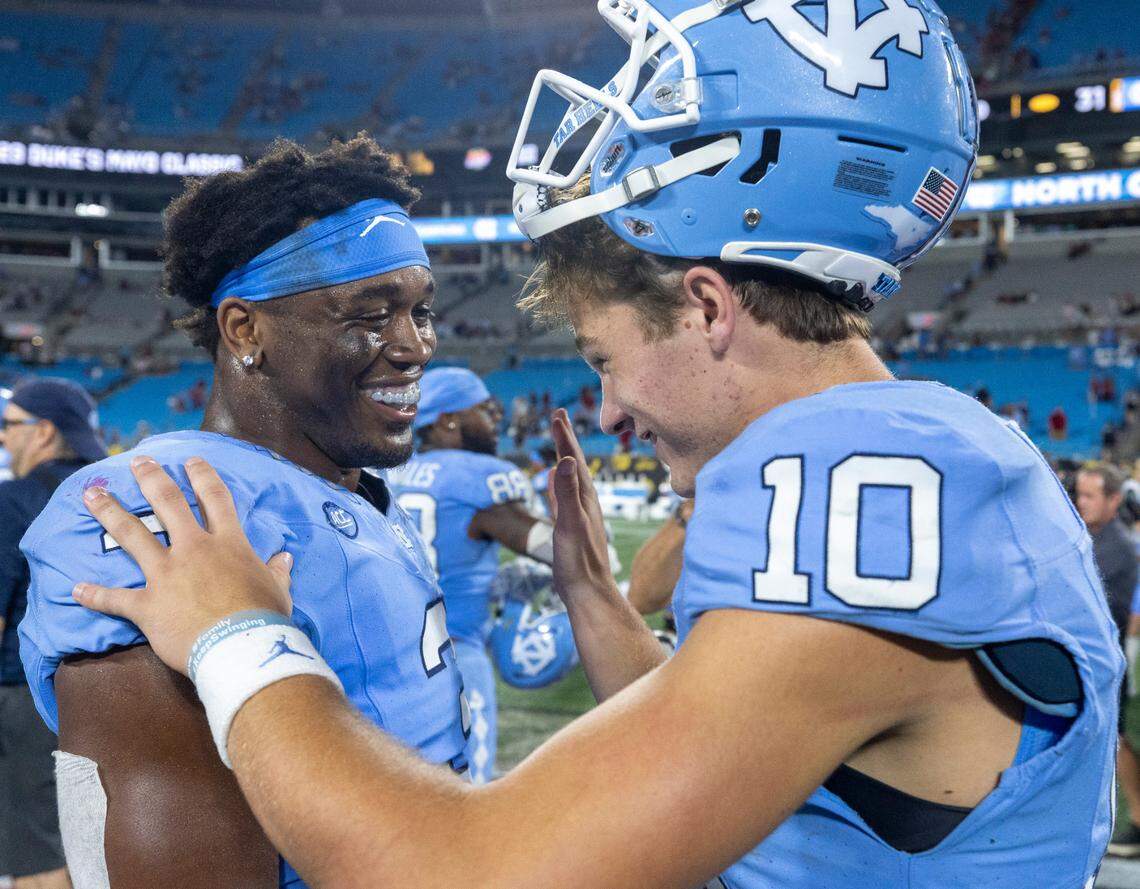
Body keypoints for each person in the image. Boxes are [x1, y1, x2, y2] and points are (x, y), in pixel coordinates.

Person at [64, 3, 1121, 887]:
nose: (609, 409)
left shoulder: (840, 478)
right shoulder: (937, 453)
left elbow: (466, 872)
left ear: (706, 306)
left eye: (604, 355)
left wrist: (237, 634)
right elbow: (731, 733)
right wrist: (589, 594)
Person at [17, 136, 469, 889]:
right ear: (244, 330)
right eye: (371, 313)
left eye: (421, 310)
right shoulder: (161, 511)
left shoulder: (348, 487)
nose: (415, 345)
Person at [387, 366, 552, 783]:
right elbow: (559, 550)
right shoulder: (478, 476)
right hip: (455, 653)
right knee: (468, 797)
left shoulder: (391, 472)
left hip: (393, 659)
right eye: (485, 410)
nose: (496, 420)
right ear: (448, 419)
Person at [1, 378, 105, 889]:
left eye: (9, 425)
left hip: (26, 697)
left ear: (42, 432)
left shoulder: (13, 500)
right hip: (114, 694)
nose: (3, 438)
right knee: (89, 846)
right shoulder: (110, 492)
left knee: (39, 856)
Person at [1075, 464, 1140, 857]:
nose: (1081, 503)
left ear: (1114, 501)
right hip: (1098, 659)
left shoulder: (1114, 547)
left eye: (1089, 496)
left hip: (1104, 661)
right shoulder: (1099, 539)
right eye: (1079, 495)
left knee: (1113, 740)